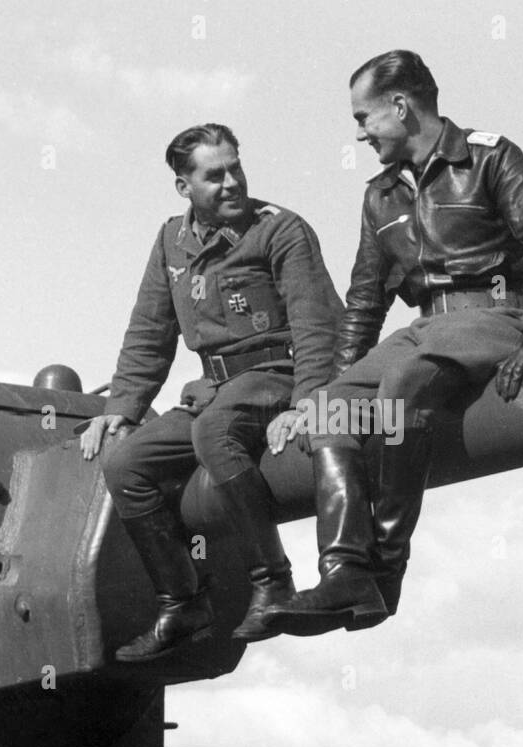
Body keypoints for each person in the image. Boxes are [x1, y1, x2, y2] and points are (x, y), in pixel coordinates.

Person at [239, 50, 523, 640]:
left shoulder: (489, 157)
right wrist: (323, 391)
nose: (358, 132)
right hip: (421, 328)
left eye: (364, 116)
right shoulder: (379, 196)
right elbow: (364, 304)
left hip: (495, 313)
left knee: (404, 388)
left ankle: (387, 568)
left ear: (400, 106)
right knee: (332, 409)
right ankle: (345, 571)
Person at [81, 123, 340, 660]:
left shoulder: (280, 230)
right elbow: (150, 332)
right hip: (214, 386)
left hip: (277, 373)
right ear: (183, 186)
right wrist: (122, 408)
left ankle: (273, 580)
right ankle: (183, 602)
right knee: (126, 462)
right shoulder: (171, 242)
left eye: (236, 168)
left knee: (215, 431)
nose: (231, 183)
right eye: (213, 175)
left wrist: (310, 401)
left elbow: (318, 327)